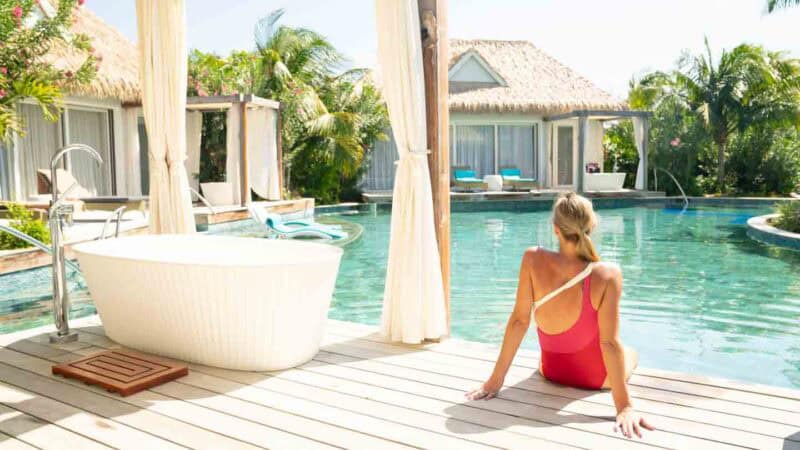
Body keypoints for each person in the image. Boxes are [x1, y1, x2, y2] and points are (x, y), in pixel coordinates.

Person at [466, 192, 655, 439]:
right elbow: (609, 343)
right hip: (596, 379)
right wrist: (624, 406)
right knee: (630, 352)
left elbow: (519, 321)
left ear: (556, 230)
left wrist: (494, 381)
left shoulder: (532, 258)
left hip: (550, 370)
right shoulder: (608, 274)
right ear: (592, 226)